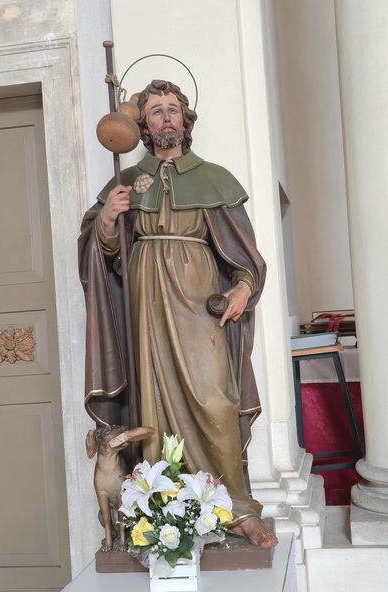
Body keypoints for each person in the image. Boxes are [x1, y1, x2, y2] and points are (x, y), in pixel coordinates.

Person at [79, 80, 277, 548]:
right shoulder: (127, 181)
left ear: (185, 121)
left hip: (199, 304)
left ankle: (236, 509)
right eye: (156, 111)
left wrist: (243, 287)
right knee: (152, 406)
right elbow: (103, 255)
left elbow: (245, 255)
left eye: (173, 109)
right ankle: (158, 513)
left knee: (215, 401)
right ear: (143, 126)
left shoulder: (214, 178)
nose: (166, 117)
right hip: (146, 307)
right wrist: (107, 220)